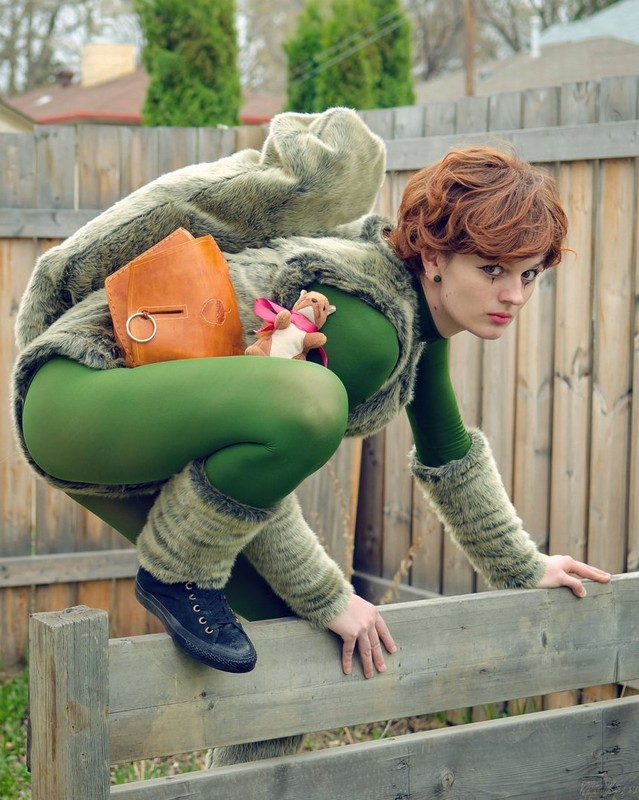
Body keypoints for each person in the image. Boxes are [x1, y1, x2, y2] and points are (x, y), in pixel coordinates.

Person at [11, 107, 610, 765]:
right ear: (434, 257)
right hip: (79, 394)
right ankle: (176, 572)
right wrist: (330, 593)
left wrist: (524, 566)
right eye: (492, 270)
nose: (514, 295)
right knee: (313, 403)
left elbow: (449, 451)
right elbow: (275, 440)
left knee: (286, 648)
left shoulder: (421, 319)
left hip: (133, 428)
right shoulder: (368, 322)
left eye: (529, 274)